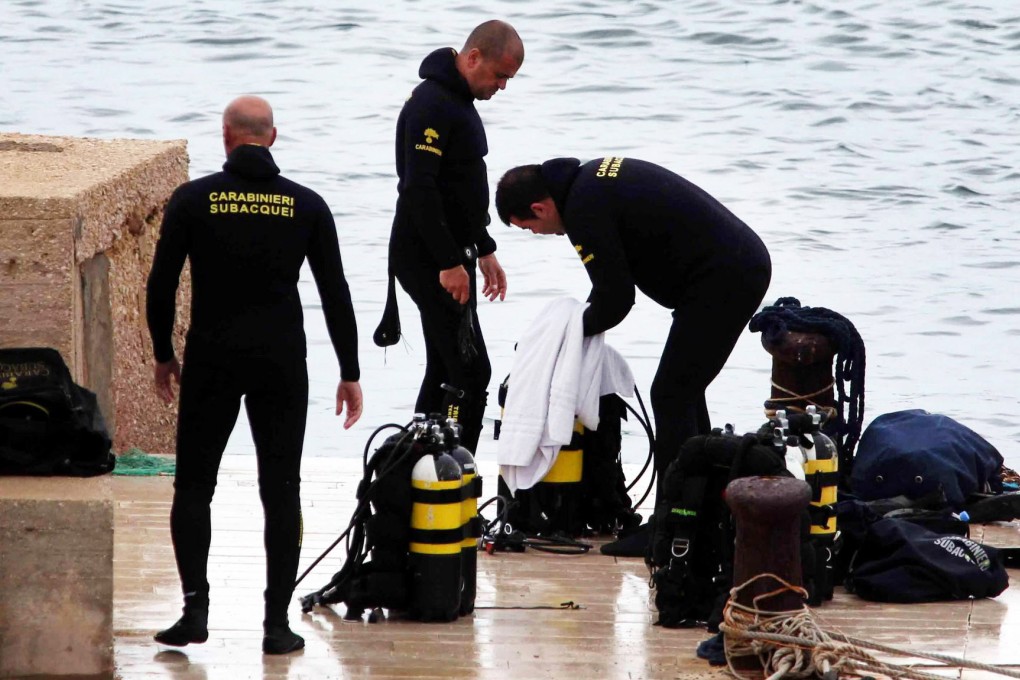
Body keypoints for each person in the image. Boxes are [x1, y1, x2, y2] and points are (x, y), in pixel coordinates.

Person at [145, 95, 363, 655]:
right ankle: (275, 625)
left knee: (194, 485)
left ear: (226, 137)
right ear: (273, 136)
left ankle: (195, 610)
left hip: (212, 357)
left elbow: (161, 284)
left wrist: (164, 353)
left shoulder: (193, 199)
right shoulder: (307, 204)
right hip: (281, 361)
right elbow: (335, 292)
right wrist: (350, 370)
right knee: (281, 488)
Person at [495, 157, 772, 481]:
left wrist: (555, 337)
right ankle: (699, 498)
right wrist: (574, 326)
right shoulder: (588, 182)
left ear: (539, 209)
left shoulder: (582, 209)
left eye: (529, 228)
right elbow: (608, 289)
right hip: (731, 266)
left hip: (725, 277)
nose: (538, 233)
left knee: (671, 395)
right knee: (685, 390)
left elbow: (616, 301)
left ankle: (674, 507)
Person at [381, 20, 523, 454]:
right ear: (473, 57)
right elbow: (419, 189)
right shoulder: (432, 103)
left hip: (449, 251)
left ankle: (421, 466)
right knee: (471, 372)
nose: (502, 86)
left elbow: (459, 187)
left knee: (446, 367)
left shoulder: (458, 100)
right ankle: (455, 469)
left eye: (509, 79)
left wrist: (484, 247)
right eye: (499, 75)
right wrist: (447, 261)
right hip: (427, 255)